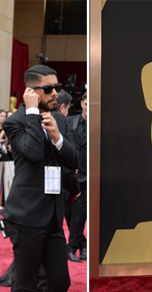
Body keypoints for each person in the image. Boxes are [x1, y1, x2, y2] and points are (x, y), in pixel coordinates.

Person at [1, 64, 78, 292]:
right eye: (48, 88)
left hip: (52, 214)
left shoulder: (57, 119)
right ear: (31, 92)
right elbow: (32, 153)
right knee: (25, 285)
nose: (55, 93)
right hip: (26, 215)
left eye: (56, 86)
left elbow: (73, 161)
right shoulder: (16, 122)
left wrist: (58, 137)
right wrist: (33, 115)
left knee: (60, 280)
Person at [65, 91, 87, 262]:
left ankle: (71, 248)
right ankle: (83, 244)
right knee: (68, 213)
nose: (88, 107)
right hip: (69, 175)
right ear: (82, 103)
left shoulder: (97, 124)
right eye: (86, 103)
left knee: (79, 214)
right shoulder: (69, 122)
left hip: (87, 177)